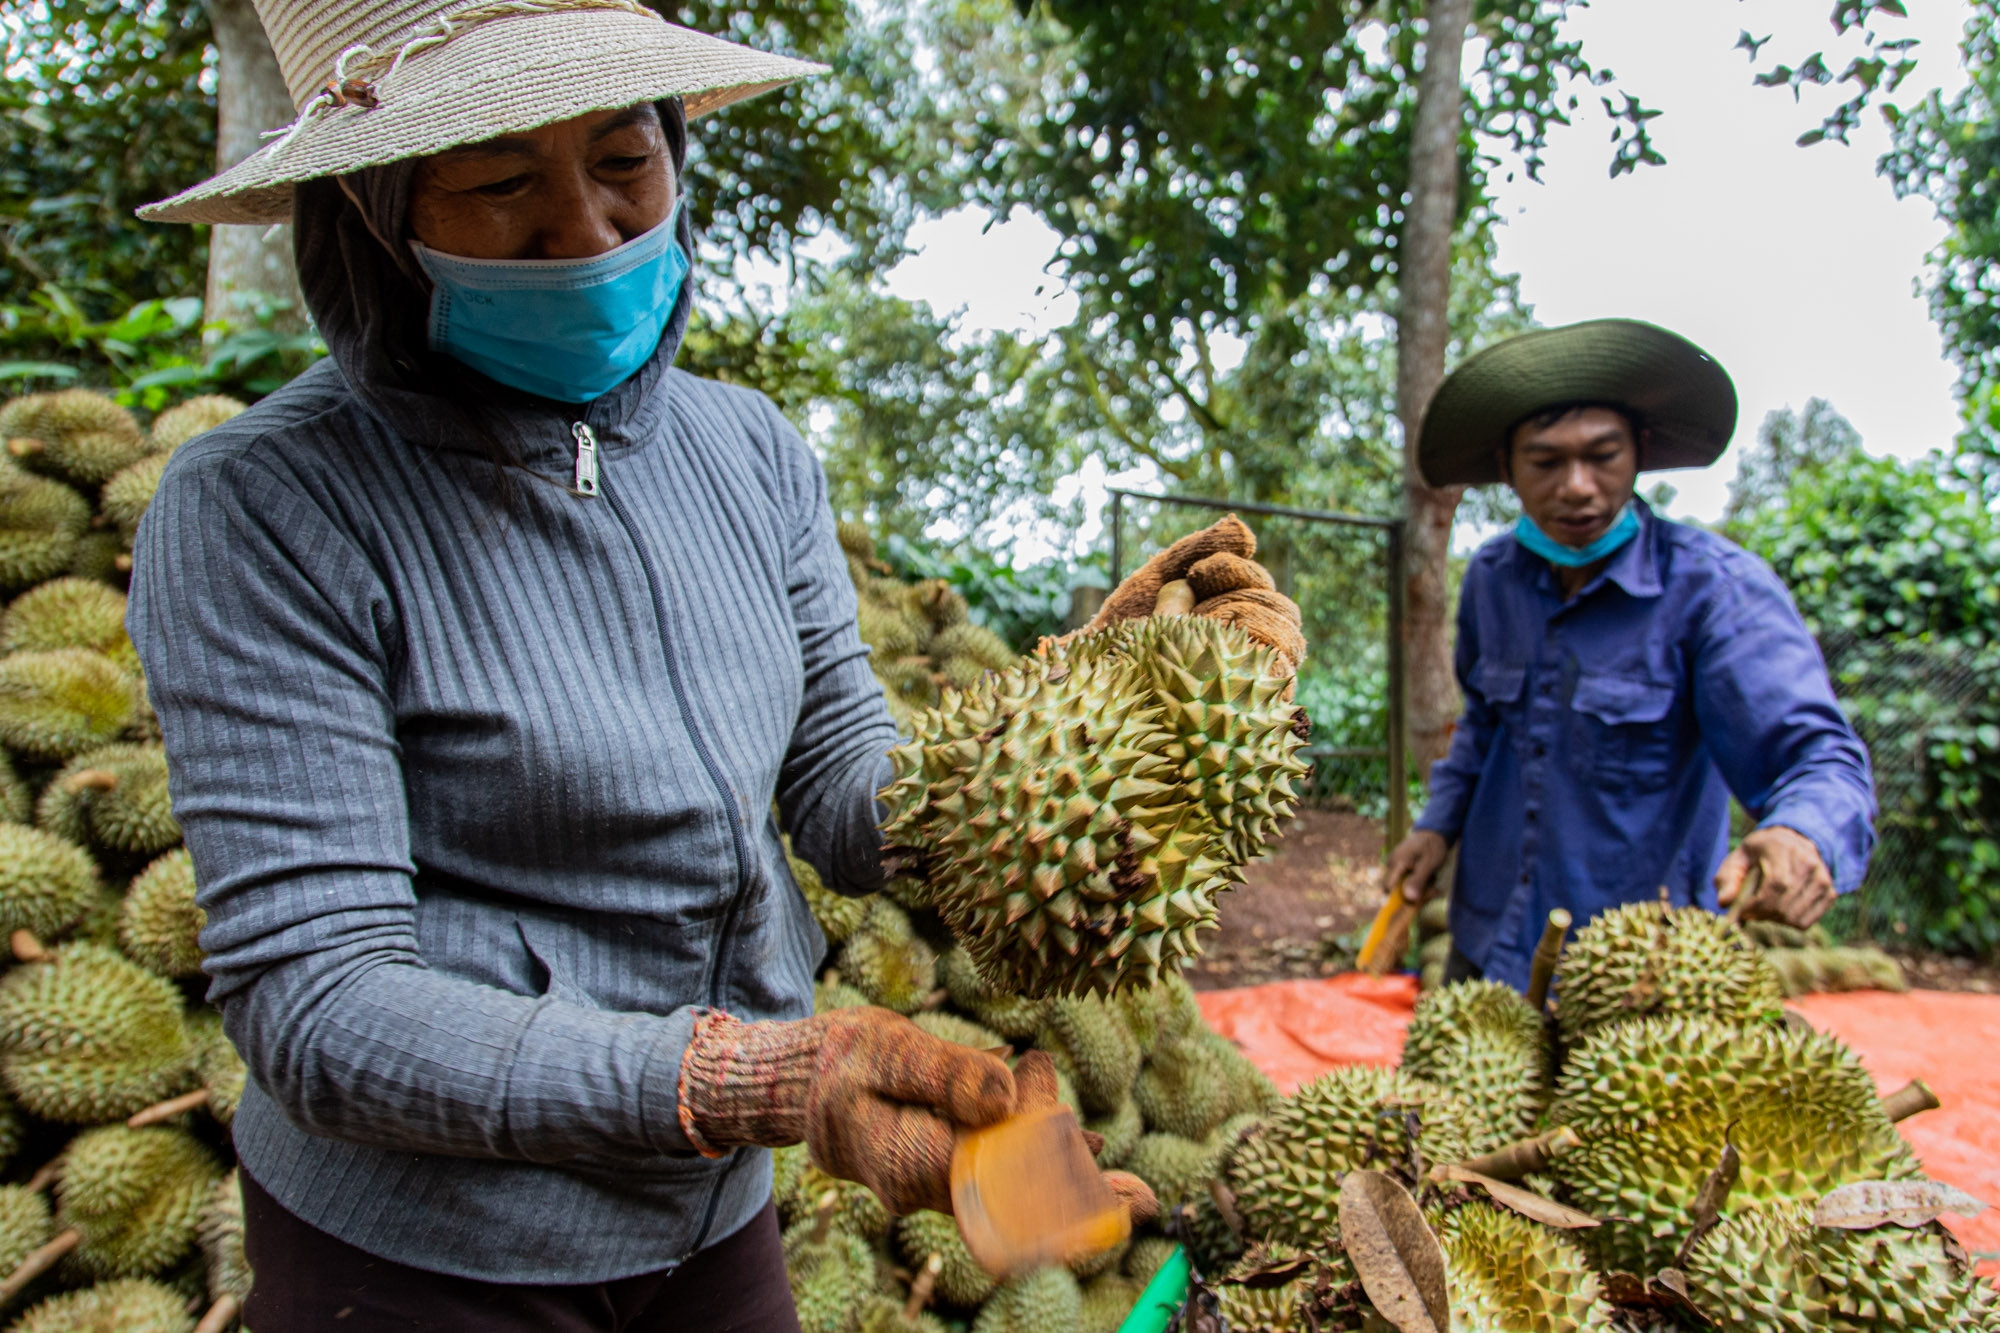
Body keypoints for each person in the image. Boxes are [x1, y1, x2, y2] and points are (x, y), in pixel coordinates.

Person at [130, 1, 1299, 1327]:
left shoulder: (747, 453)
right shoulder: (266, 506)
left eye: (625, 159)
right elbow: (322, 1001)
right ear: (373, 213)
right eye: (500, 181)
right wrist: (751, 1082)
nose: (585, 229)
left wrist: (1088, 707)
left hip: (713, 1219)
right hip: (425, 1256)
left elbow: (845, 793)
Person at [1381, 319, 1875, 993]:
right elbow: (1485, 728)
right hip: (1488, 935)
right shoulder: (1495, 577)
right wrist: (1436, 827)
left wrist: (1802, 834)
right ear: (1506, 467)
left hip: (1635, 970)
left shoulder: (1714, 591)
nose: (1579, 486)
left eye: (1603, 455)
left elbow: (1817, 755)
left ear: (1639, 452)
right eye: (1547, 461)